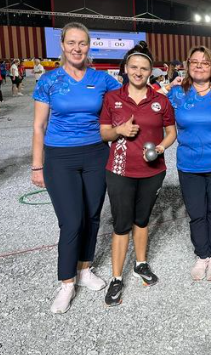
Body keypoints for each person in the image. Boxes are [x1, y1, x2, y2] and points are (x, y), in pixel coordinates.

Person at [31, 22, 121, 314]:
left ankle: (85, 269)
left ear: (88, 46)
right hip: (60, 158)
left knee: (93, 216)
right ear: (63, 46)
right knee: (72, 221)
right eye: (72, 43)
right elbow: (38, 126)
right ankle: (66, 282)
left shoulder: (102, 79)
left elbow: (129, 96)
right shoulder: (49, 80)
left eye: (82, 43)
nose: (77, 48)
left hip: (96, 154)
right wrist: (37, 165)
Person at [99, 42, 176, 306]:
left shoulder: (161, 100)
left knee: (142, 221)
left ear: (151, 71)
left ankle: (140, 264)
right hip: (120, 170)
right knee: (122, 225)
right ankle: (116, 277)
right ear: (125, 69)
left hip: (153, 171)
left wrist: (161, 148)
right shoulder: (113, 98)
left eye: (144, 68)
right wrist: (119, 131)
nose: (139, 72)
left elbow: (171, 132)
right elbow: (104, 133)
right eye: (134, 67)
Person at [160, 46, 211, 281]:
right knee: (196, 212)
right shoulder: (178, 93)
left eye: (205, 62)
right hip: (189, 164)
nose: (200, 66)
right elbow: (151, 108)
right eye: (195, 62)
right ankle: (201, 254)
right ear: (187, 65)